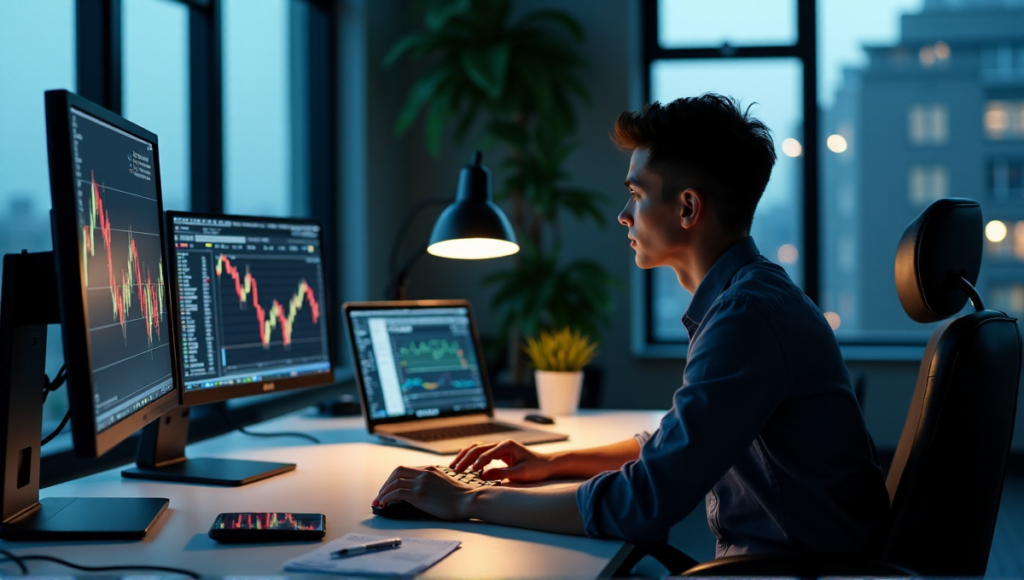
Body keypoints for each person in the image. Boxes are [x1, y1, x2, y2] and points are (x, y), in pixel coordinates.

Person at [374, 93, 890, 558]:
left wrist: (469, 501)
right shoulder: (748, 299)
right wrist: (553, 464)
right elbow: (674, 442)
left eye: (637, 195)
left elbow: (642, 504)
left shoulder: (746, 317)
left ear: (687, 207)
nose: (624, 214)